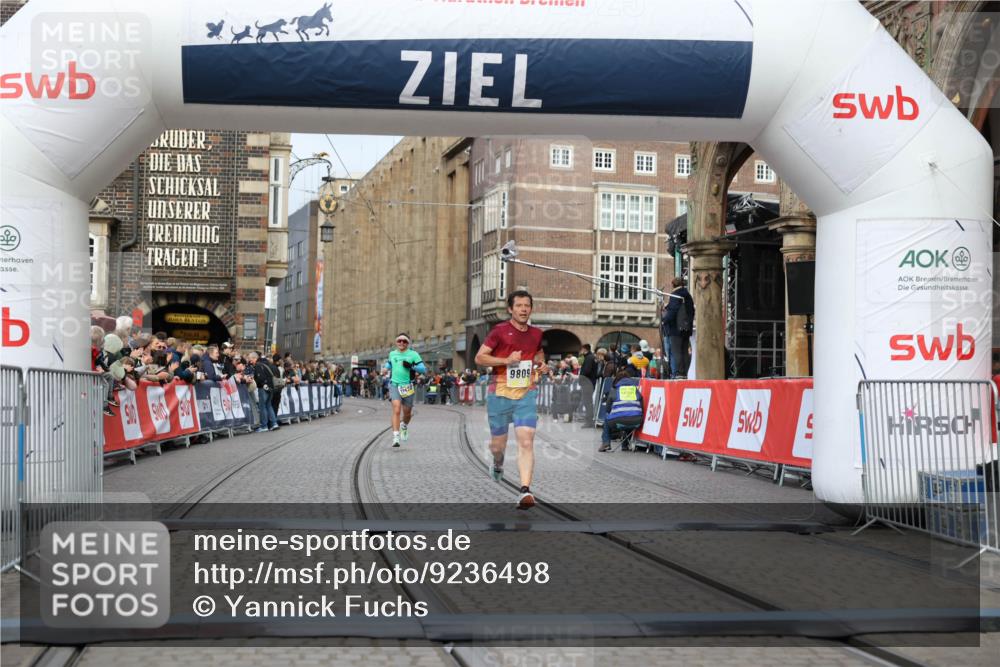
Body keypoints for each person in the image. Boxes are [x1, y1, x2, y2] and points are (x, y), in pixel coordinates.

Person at [474, 290, 552, 509]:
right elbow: (479, 357)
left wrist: (541, 365)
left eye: (527, 305)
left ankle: (525, 491)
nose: (523, 309)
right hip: (499, 393)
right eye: (519, 305)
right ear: (510, 309)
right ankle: (498, 464)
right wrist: (506, 360)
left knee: (526, 441)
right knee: (498, 446)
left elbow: (538, 357)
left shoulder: (537, 333)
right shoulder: (499, 331)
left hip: (526, 393)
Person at [384, 333, 427, 447]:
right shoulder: (392, 354)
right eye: (399, 341)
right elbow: (389, 364)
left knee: (407, 413)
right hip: (394, 385)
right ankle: (396, 437)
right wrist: (385, 368)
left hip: (407, 386)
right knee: (397, 409)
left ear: (408, 343)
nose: (402, 343)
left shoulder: (413, 354)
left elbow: (423, 369)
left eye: (404, 341)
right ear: (396, 342)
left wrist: (411, 366)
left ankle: (404, 425)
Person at [599, 368, 645, 452]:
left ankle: (606, 442)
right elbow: (642, 407)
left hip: (618, 421)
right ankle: (625, 445)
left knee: (607, 417)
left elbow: (608, 409)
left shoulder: (615, 390)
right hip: (637, 421)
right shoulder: (636, 390)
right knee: (629, 415)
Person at [664, 277, 695, 378]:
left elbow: (673, 311)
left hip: (676, 328)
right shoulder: (688, 295)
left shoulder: (676, 295)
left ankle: (679, 372)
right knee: (684, 351)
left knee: (676, 351)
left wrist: (664, 319)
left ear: (673, 285)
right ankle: (684, 372)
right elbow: (691, 311)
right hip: (686, 327)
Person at [248, 351, 279, 432]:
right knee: (269, 405)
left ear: (255, 358)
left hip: (263, 388)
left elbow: (260, 378)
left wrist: (254, 379)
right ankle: (274, 423)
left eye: (250, 359)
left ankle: (264, 426)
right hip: (271, 387)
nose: (250, 361)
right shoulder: (266, 364)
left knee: (263, 407)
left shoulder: (258, 365)